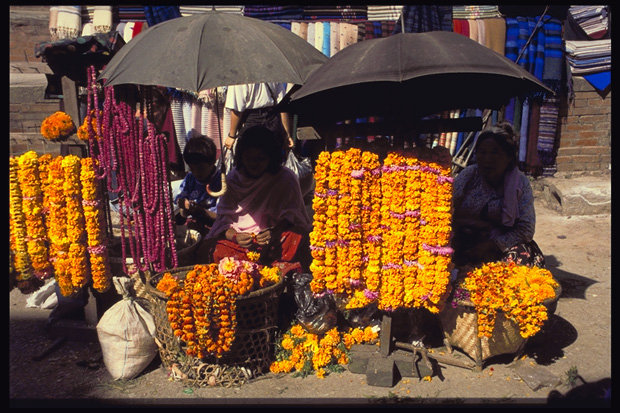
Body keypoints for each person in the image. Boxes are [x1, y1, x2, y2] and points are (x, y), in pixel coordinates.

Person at [189, 125, 313, 271]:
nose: (254, 163)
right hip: (239, 244)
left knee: (299, 237)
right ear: (241, 156)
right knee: (209, 249)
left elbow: (294, 216)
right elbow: (222, 222)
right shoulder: (233, 179)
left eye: (260, 158)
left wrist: (273, 232)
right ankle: (266, 269)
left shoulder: (285, 178)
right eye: (249, 158)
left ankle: (256, 269)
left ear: (271, 157)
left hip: (273, 242)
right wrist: (235, 237)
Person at [451, 121, 545, 268]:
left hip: (500, 242)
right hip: (466, 237)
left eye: (495, 153)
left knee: (521, 258)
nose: (487, 159)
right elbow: (447, 207)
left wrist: (492, 244)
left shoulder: (520, 183)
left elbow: (526, 229)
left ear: (508, 157)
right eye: (482, 152)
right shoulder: (469, 175)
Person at [224, 82, 295, 152]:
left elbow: (237, 109)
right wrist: (287, 134)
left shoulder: (240, 76)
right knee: (271, 157)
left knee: (249, 157)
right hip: (272, 121)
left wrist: (232, 135)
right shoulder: (273, 72)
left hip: (251, 122)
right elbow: (282, 105)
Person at [174, 135, 222, 237]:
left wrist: (199, 210)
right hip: (192, 224)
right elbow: (183, 212)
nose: (196, 173)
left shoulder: (221, 181)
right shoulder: (190, 178)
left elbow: (220, 216)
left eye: (201, 169)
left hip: (214, 227)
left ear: (213, 161)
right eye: (192, 169)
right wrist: (184, 206)